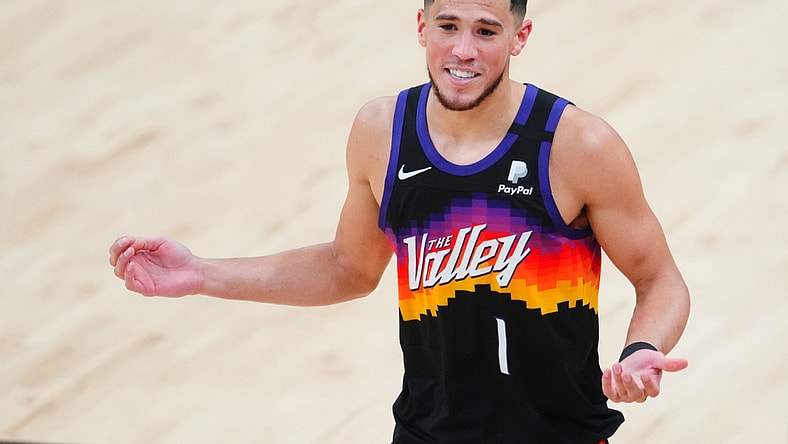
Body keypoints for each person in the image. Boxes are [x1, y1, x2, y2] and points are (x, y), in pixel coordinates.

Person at [109, 0, 690, 442]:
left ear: (520, 37)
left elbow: (659, 278)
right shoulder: (382, 132)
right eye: (448, 26)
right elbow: (349, 267)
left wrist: (643, 347)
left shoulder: (577, 145)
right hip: (424, 432)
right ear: (421, 27)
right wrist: (201, 272)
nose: (463, 49)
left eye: (486, 31)